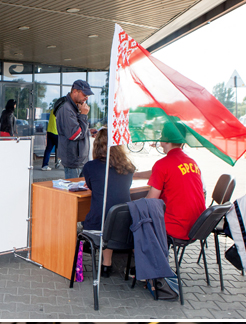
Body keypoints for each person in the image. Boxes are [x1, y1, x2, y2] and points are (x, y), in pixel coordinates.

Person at [135, 122, 206, 240]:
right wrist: (136, 175)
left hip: (177, 227)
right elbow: (161, 172)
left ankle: (139, 253)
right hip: (197, 226)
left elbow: (151, 202)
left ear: (164, 140)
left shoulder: (162, 164)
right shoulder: (192, 162)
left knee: (136, 213)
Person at [82, 128, 136, 276]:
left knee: (103, 217)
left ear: (97, 145)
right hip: (123, 226)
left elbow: (94, 187)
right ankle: (108, 264)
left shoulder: (90, 167)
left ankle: (106, 265)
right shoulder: (128, 167)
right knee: (111, 217)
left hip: (98, 225)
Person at [56, 79, 93, 179]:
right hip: (74, 161)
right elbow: (75, 134)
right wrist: (84, 115)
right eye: (84, 95)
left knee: (81, 190)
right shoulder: (67, 109)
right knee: (74, 191)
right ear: (75, 91)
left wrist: (88, 132)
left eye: (88, 96)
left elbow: (79, 129)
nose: (86, 98)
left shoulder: (75, 107)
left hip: (79, 160)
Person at [41, 96, 66, 171]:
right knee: (63, 150)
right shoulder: (61, 111)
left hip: (50, 132)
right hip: (56, 133)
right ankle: (66, 165)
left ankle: (44, 165)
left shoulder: (53, 110)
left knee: (48, 149)